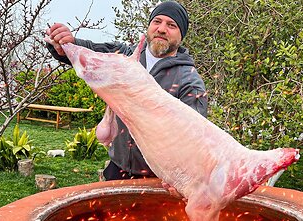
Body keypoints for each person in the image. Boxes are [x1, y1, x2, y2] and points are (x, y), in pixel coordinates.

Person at [46, 1, 207, 181]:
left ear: (181, 35)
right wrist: (65, 45)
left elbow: (194, 142)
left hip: (158, 179)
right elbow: (87, 52)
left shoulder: (189, 81)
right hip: (117, 169)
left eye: (171, 25)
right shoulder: (125, 57)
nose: (162, 29)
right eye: (157, 21)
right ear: (149, 26)